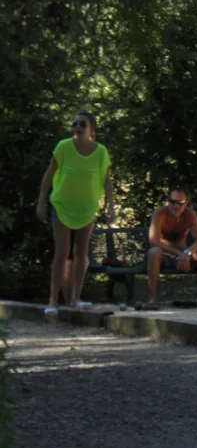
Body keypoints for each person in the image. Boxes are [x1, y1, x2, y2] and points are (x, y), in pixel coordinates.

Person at [35, 111, 115, 318]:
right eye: (75, 124)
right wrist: (42, 201)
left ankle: (75, 299)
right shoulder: (63, 147)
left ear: (92, 129)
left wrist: (111, 206)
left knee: (81, 254)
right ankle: (53, 301)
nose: (77, 127)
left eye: (82, 124)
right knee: (62, 253)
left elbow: (106, 181)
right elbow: (49, 174)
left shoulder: (101, 152)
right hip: (62, 206)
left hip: (87, 209)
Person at [146, 186, 197, 308]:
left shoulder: (190, 214)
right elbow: (154, 240)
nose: (176, 206)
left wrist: (187, 253)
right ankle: (153, 299)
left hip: (184, 253)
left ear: (186, 203)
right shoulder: (159, 213)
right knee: (154, 252)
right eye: (172, 202)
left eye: (180, 202)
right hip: (165, 254)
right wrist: (179, 254)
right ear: (168, 201)